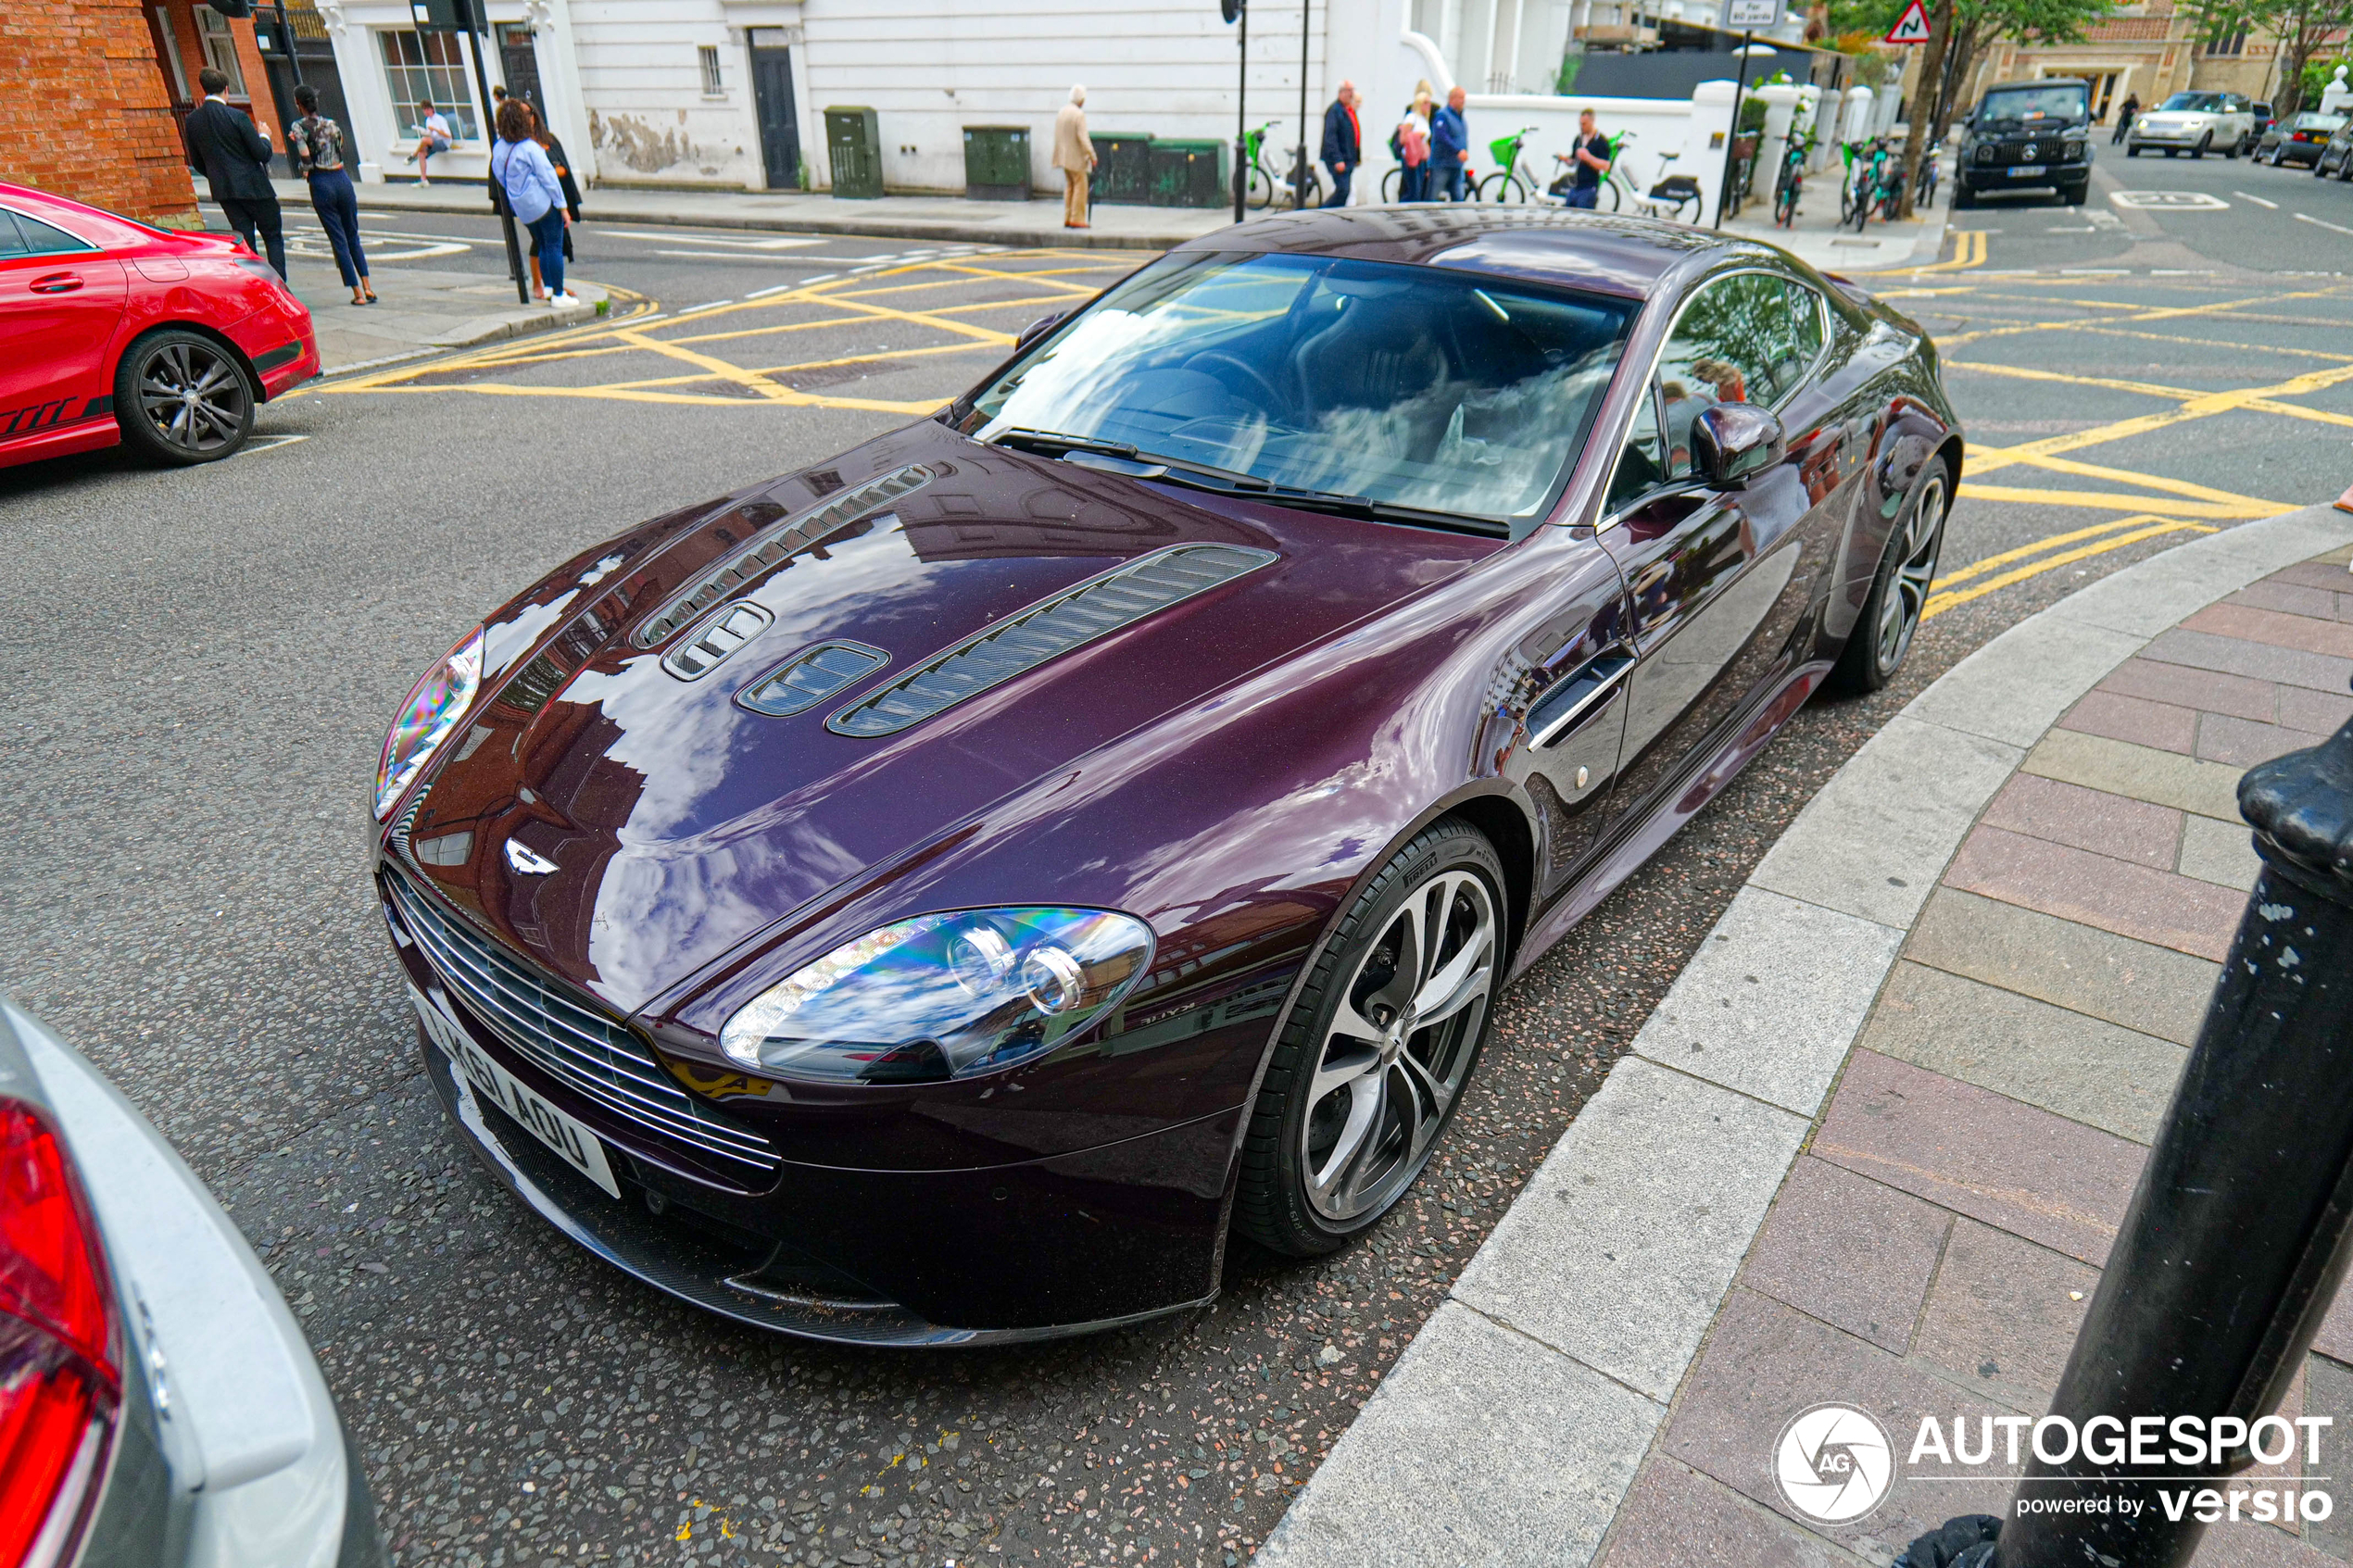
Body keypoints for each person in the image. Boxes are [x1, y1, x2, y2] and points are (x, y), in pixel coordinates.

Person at [182, 68, 286, 278]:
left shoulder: (192, 120)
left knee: (245, 243)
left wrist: (217, 176)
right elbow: (262, 154)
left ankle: (257, 284)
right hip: (255, 188)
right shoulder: (237, 117)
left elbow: (197, 161)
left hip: (225, 191)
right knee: (273, 236)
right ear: (226, 90)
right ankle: (279, 287)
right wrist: (264, 136)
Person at [290, 83, 373, 306]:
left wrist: (303, 169)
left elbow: (306, 160)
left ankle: (357, 293)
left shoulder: (298, 127)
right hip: (343, 180)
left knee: (338, 239)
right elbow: (340, 149)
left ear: (299, 104)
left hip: (322, 182)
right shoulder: (333, 124)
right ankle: (368, 286)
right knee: (352, 235)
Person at [491, 98, 574, 306]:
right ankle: (558, 294)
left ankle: (547, 288)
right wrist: (563, 207)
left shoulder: (499, 148)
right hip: (542, 204)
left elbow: (499, 175)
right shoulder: (529, 147)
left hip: (522, 208)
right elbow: (549, 178)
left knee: (542, 244)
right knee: (554, 245)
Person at [1054, 84, 1095, 229]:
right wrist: (1092, 155)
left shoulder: (1062, 112)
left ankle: (1068, 216)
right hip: (1076, 158)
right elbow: (1084, 138)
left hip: (1064, 157)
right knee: (1080, 186)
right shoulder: (1078, 114)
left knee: (1070, 186)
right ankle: (1077, 219)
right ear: (1081, 100)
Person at [1561, 107, 1612, 208]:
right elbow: (1574, 160)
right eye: (1580, 124)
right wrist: (1566, 160)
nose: (1582, 127)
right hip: (1576, 186)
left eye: (1584, 124)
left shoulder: (1601, 141)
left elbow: (1606, 166)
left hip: (1589, 186)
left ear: (1592, 121)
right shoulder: (1578, 139)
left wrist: (1588, 158)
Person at [1320, 80, 1360, 207]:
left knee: (1345, 191)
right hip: (1339, 159)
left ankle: (1334, 215)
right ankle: (1322, 212)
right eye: (1349, 91)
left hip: (1348, 158)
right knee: (1343, 190)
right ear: (1341, 92)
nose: (1352, 94)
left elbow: (1355, 133)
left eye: (1352, 90)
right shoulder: (1335, 111)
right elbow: (1330, 137)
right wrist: (1337, 159)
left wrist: (1357, 156)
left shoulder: (1347, 110)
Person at [1394, 82, 1433, 201]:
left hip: (1421, 158)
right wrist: (1418, 136)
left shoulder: (1424, 120)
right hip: (1411, 157)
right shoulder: (1411, 117)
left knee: (1418, 190)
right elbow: (1403, 138)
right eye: (1425, 103)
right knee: (1413, 191)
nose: (1428, 106)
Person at [1431, 85, 1470, 201]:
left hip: (1457, 166)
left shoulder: (1460, 117)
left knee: (1458, 199)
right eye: (1461, 98)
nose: (1463, 101)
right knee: (1433, 197)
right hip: (1442, 165)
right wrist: (1457, 151)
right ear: (1452, 99)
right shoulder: (1442, 116)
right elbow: (1441, 137)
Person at [409, 98, 452, 183]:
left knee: (424, 140)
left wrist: (435, 129)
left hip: (444, 143)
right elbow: (430, 135)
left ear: (432, 109)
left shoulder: (440, 119)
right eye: (424, 110)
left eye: (427, 109)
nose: (426, 112)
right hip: (434, 142)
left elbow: (448, 135)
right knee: (421, 154)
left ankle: (413, 155)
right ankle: (423, 179)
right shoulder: (428, 121)